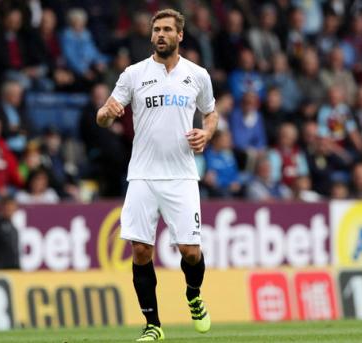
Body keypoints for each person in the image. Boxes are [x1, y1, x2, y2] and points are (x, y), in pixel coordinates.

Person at [96, 9, 217, 341]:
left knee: (190, 252)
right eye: (156, 29)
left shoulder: (197, 75)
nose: (160, 34)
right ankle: (153, 326)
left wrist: (206, 134)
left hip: (181, 176)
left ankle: (193, 294)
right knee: (140, 251)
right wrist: (107, 114)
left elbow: (211, 113)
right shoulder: (133, 74)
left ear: (180, 36)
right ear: (151, 36)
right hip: (143, 176)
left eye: (167, 29)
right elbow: (103, 115)